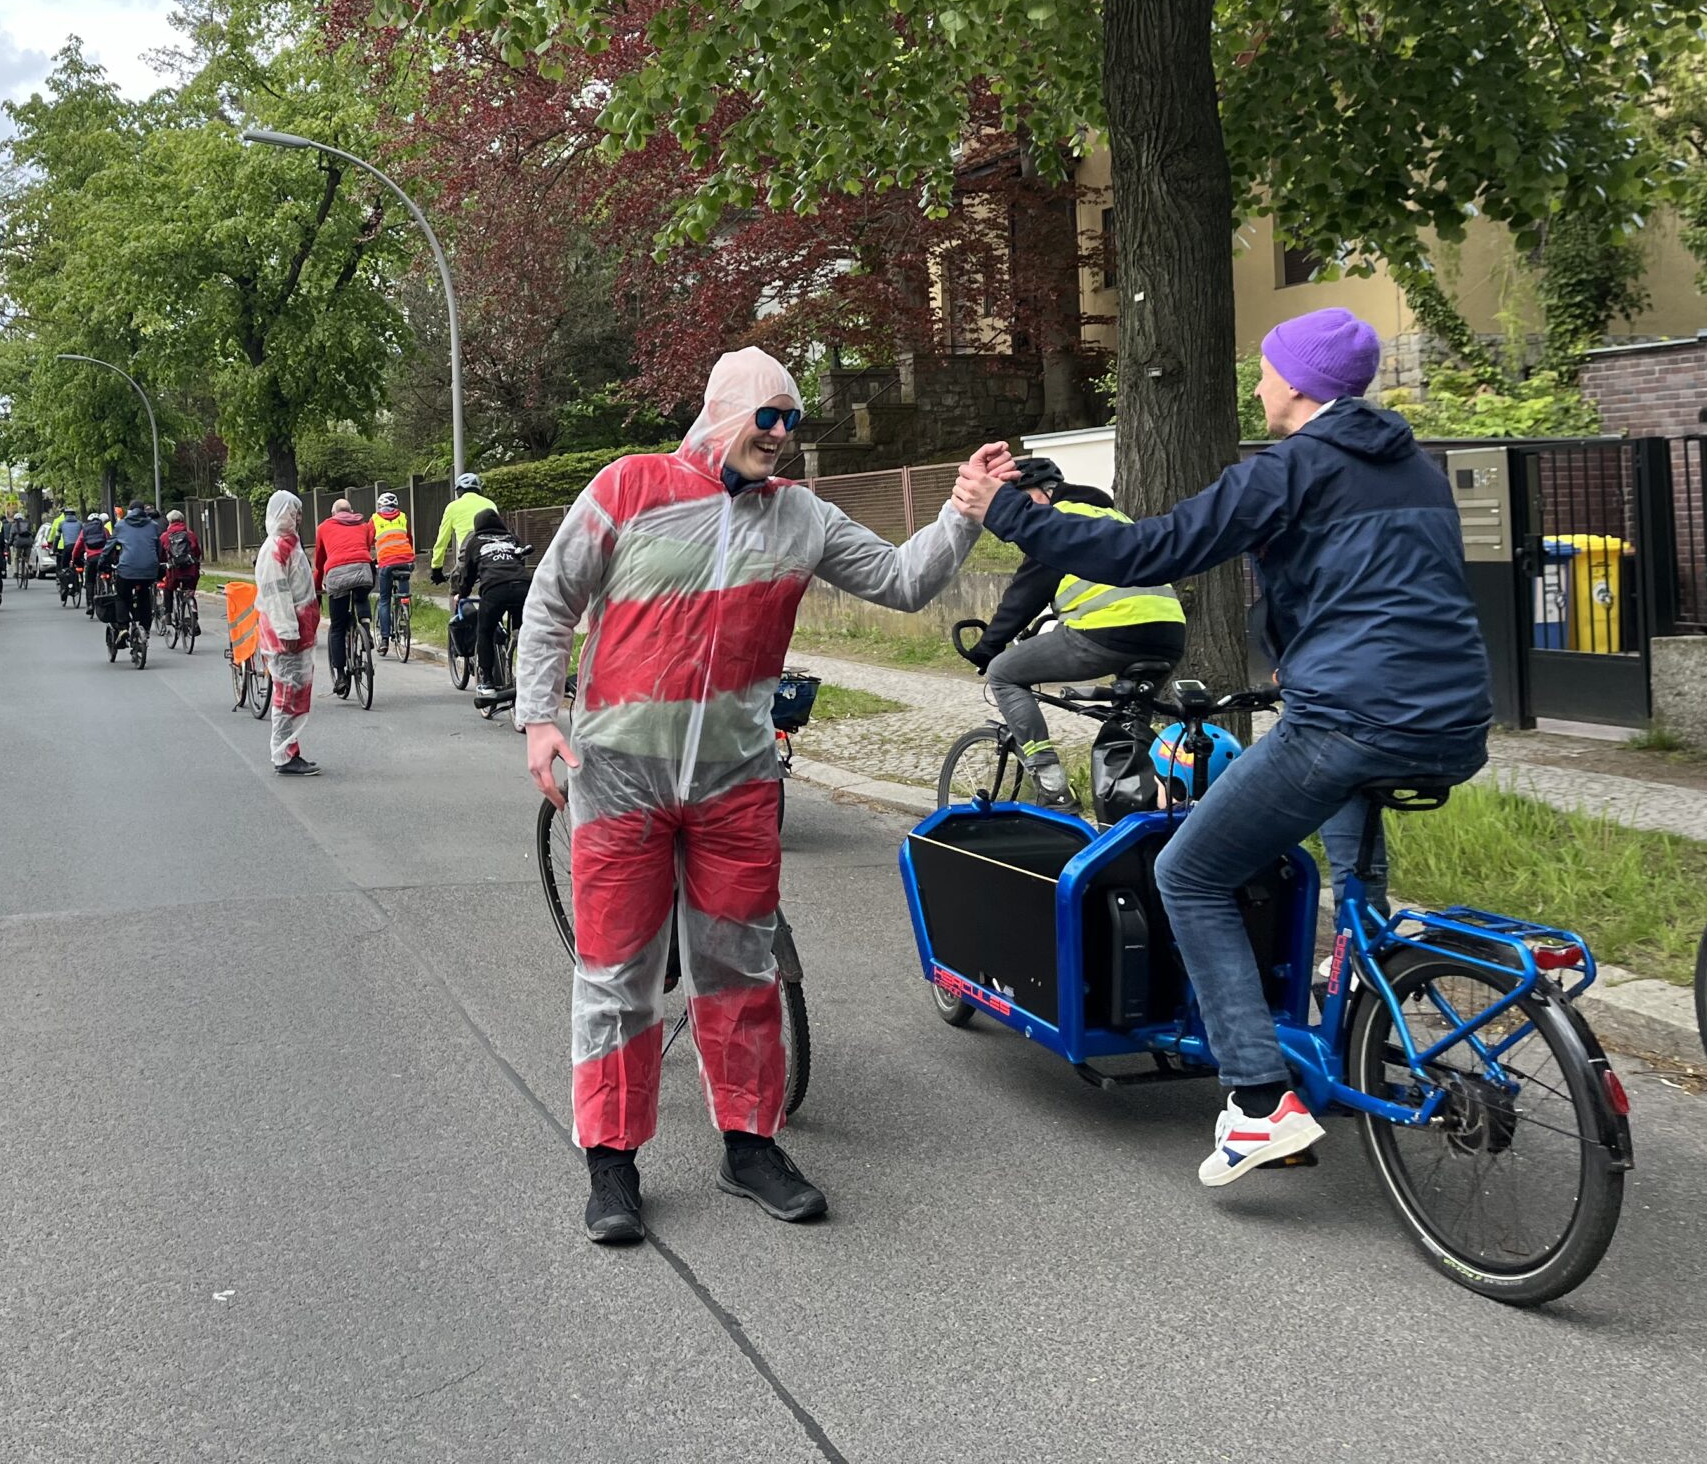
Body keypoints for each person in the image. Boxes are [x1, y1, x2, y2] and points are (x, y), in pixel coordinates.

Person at [974, 307, 1493, 1188]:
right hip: (1453, 718)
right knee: (1350, 849)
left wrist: (1015, 517)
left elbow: (1151, 549)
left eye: (1264, 369)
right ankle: (1363, 1012)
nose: (1256, 383)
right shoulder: (1417, 467)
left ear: (1297, 384)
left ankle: (1257, 1102)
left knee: (1189, 872)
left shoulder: (1293, 467)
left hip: (1346, 718)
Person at [515, 346, 992, 1246]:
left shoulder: (800, 518)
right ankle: (612, 1164)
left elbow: (902, 580)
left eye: (791, 421)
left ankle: (750, 1145)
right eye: (765, 417)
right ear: (721, 413)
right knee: (617, 974)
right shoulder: (631, 487)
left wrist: (964, 510)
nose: (780, 435)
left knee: (740, 970)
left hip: (735, 784)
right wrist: (539, 716)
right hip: (621, 779)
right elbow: (550, 601)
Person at [967, 455, 1187, 809]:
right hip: (1167, 634)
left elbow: (1027, 591)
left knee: (1003, 673)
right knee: (1125, 736)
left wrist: (989, 645)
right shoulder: (1113, 516)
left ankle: (1053, 788)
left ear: (1042, 492)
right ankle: (1134, 810)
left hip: (1109, 631)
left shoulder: (1056, 520)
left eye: (1022, 499)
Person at [256, 491, 321, 775]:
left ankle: (291, 750)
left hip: (298, 632)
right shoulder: (276, 549)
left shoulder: (290, 545)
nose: (297, 517)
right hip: (286, 637)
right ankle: (283, 755)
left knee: (295, 695)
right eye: (293, 511)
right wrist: (287, 632)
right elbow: (277, 596)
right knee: (286, 696)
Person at [451, 507, 533, 706]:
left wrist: (461, 595)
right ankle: (530, 676)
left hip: (495, 589)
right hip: (524, 587)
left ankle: (486, 681)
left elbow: (467, 575)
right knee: (525, 632)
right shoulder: (512, 539)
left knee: (484, 631)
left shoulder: (474, 542)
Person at [312, 497, 379, 696]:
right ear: (351, 511)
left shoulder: (323, 528)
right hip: (363, 570)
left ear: (333, 514)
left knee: (338, 627)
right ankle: (366, 630)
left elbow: (319, 561)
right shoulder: (363, 525)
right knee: (360, 598)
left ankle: (340, 675)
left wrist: (317, 588)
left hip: (337, 574)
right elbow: (365, 549)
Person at [103, 501, 164, 655]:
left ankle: (123, 627)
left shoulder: (121, 526)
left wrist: (102, 563)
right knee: (144, 596)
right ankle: (145, 627)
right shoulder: (153, 525)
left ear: (129, 511)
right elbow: (158, 548)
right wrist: (156, 564)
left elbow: (109, 547)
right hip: (149, 570)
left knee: (121, 596)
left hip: (127, 569)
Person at [430, 472, 497, 584]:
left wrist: (436, 568)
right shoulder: (490, 504)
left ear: (459, 490)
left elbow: (442, 541)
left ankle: (457, 598)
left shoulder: (452, 507)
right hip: (493, 556)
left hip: (468, 556)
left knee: (456, 589)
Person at [371, 491, 417, 646]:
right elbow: (409, 538)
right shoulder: (403, 517)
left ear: (380, 506)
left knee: (385, 599)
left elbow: (367, 541)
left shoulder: (375, 519)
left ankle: (384, 638)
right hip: (406, 561)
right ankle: (404, 614)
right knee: (404, 594)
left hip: (386, 563)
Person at [159, 508, 202, 623]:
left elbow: (161, 555)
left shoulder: (165, 536)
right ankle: (194, 619)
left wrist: (163, 564)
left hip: (174, 572)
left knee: (167, 588)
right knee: (189, 592)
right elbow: (197, 552)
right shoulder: (190, 534)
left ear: (169, 522)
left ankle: (168, 615)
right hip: (190, 571)